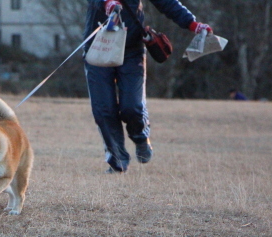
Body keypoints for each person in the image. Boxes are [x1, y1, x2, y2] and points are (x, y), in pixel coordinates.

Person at [84, 0, 213, 173]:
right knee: (103, 109)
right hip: (98, 46)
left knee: (132, 106)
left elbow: (168, 3)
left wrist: (193, 24)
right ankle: (117, 160)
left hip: (131, 51)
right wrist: (106, 3)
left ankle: (140, 136)